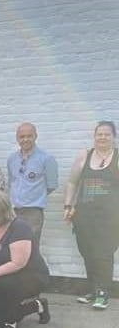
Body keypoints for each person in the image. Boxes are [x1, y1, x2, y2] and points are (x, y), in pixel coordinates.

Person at [0, 190, 50, 328]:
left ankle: (13, 320)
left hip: (29, 275)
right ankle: (33, 306)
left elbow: (18, 263)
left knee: (3, 290)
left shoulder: (19, 227)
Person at [63, 120, 119, 310]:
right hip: (84, 215)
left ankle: (103, 292)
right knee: (87, 252)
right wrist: (68, 205)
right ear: (94, 136)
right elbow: (72, 182)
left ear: (114, 137)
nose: (102, 137)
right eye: (99, 134)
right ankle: (93, 290)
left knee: (103, 254)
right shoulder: (84, 156)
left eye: (107, 134)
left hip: (110, 217)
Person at [6, 122, 58, 240]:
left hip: (33, 212)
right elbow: (11, 183)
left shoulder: (46, 159)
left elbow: (51, 185)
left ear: (36, 136)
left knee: (31, 246)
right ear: (17, 138)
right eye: (22, 137)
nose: (25, 139)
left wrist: (34, 196)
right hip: (14, 211)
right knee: (15, 247)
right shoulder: (12, 159)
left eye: (29, 136)